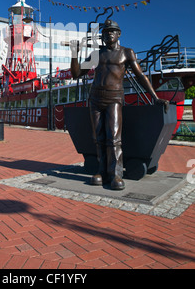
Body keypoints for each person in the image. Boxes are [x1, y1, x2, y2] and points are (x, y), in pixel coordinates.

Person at [70, 19, 169, 190]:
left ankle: (116, 173)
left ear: (119, 34)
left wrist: (154, 97)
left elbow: (141, 76)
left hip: (114, 97)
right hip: (95, 98)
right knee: (98, 137)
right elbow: (77, 73)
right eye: (106, 32)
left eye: (112, 31)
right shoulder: (96, 54)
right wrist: (74, 54)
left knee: (114, 136)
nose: (108, 34)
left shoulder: (127, 53)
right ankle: (102, 171)